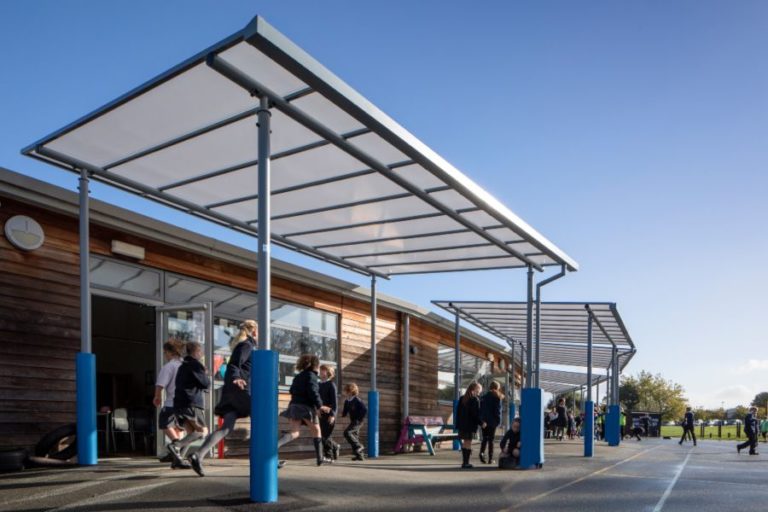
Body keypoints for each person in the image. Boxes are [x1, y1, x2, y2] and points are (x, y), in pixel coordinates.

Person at [188, 320, 259, 477]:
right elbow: (234, 365)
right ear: (253, 330)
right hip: (240, 390)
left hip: (233, 392)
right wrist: (236, 378)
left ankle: (198, 455)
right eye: (259, 331)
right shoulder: (247, 345)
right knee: (262, 421)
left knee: (226, 427)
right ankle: (269, 459)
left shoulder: (245, 345)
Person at [277, 354, 332, 466]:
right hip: (305, 407)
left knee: (295, 432)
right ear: (315, 365)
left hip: (294, 406)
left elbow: (292, 390)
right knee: (317, 431)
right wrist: (320, 405)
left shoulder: (298, 376)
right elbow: (313, 392)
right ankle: (320, 458)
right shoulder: (311, 376)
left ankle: (274, 446)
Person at [168, 341, 210, 468]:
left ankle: (177, 461)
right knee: (203, 431)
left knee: (191, 432)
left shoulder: (183, 366)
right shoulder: (195, 364)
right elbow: (205, 384)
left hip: (179, 403)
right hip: (191, 403)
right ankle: (176, 446)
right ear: (196, 352)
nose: (202, 354)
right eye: (201, 351)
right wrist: (204, 373)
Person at [153, 339, 185, 467]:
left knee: (164, 422)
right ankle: (177, 453)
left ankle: (176, 444)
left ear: (169, 352)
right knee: (179, 426)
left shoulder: (169, 366)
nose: (165, 354)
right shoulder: (184, 365)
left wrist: (157, 397)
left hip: (172, 402)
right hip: (185, 403)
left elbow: (160, 384)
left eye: (165, 352)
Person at [456, 381, 483, 469]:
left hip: (462, 425)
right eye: (479, 389)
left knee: (465, 443)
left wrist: (458, 424)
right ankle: (466, 463)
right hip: (470, 425)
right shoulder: (475, 400)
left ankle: (465, 462)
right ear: (474, 389)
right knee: (468, 443)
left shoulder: (462, 398)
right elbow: (475, 414)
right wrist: (481, 423)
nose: (480, 391)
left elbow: (458, 413)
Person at [319, 364, 340, 461]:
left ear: (328, 373)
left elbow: (335, 403)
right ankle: (335, 446)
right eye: (320, 370)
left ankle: (328, 456)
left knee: (325, 435)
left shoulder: (331, 385)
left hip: (329, 414)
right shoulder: (318, 384)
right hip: (320, 414)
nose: (320, 372)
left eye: (322, 370)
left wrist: (332, 415)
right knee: (322, 435)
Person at [341, 382, 367, 461]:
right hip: (353, 421)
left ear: (351, 391)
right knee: (355, 436)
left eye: (346, 391)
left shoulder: (357, 400)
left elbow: (364, 410)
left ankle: (359, 446)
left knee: (347, 433)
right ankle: (359, 455)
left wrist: (359, 419)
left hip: (358, 421)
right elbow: (345, 412)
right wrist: (342, 415)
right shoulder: (347, 401)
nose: (345, 392)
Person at [479, 381, 502, 464]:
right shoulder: (497, 397)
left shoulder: (483, 397)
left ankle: (481, 453)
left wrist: (481, 420)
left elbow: (481, 410)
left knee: (485, 438)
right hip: (492, 421)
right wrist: (498, 421)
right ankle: (490, 458)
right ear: (497, 388)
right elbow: (497, 410)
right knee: (491, 440)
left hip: (484, 421)